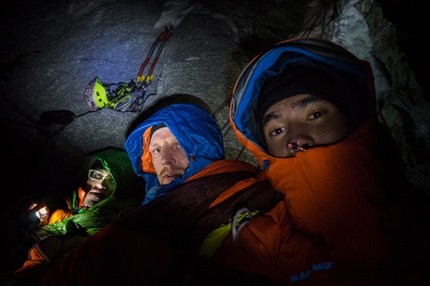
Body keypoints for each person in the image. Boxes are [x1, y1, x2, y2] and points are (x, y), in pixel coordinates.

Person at [26, 102, 336, 286]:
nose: (165, 159)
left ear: (201, 144)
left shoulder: (240, 195)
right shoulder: (145, 212)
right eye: (156, 149)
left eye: (178, 143)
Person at [218, 37, 430, 284]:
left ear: (351, 120)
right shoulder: (259, 245)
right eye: (277, 130)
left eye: (315, 114)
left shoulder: (419, 220)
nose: (296, 139)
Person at [11, 148, 142, 277]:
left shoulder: (119, 220)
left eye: (112, 180)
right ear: (86, 179)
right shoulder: (63, 204)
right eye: (97, 175)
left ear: (119, 192)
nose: (101, 184)